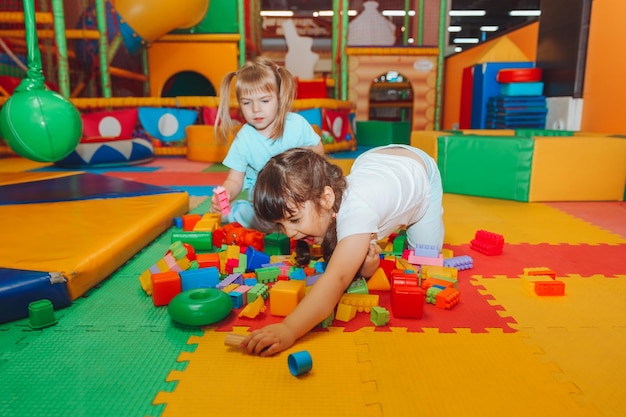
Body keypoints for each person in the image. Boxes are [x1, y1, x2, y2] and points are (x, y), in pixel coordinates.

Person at [242, 145, 444, 356]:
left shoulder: (356, 213)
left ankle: (404, 216)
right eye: (281, 225)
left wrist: (289, 328)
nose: (289, 233)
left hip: (418, 170)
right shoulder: (333, 204)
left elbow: (336, 280)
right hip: (374, 161)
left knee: (425, 260)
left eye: (294, 220)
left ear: (327, 198)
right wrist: (366, 268)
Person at [210, 57, 324, 228]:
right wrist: (225, 195)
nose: (256, 109)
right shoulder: (244, 139)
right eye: (247, 103)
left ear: (279, 97)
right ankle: (239, 212)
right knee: (265, 223)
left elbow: (319, 150)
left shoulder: (296, 124)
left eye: (264, 101)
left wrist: (303, 153)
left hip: (298, 193)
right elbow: (235, 180)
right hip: (266, 203)